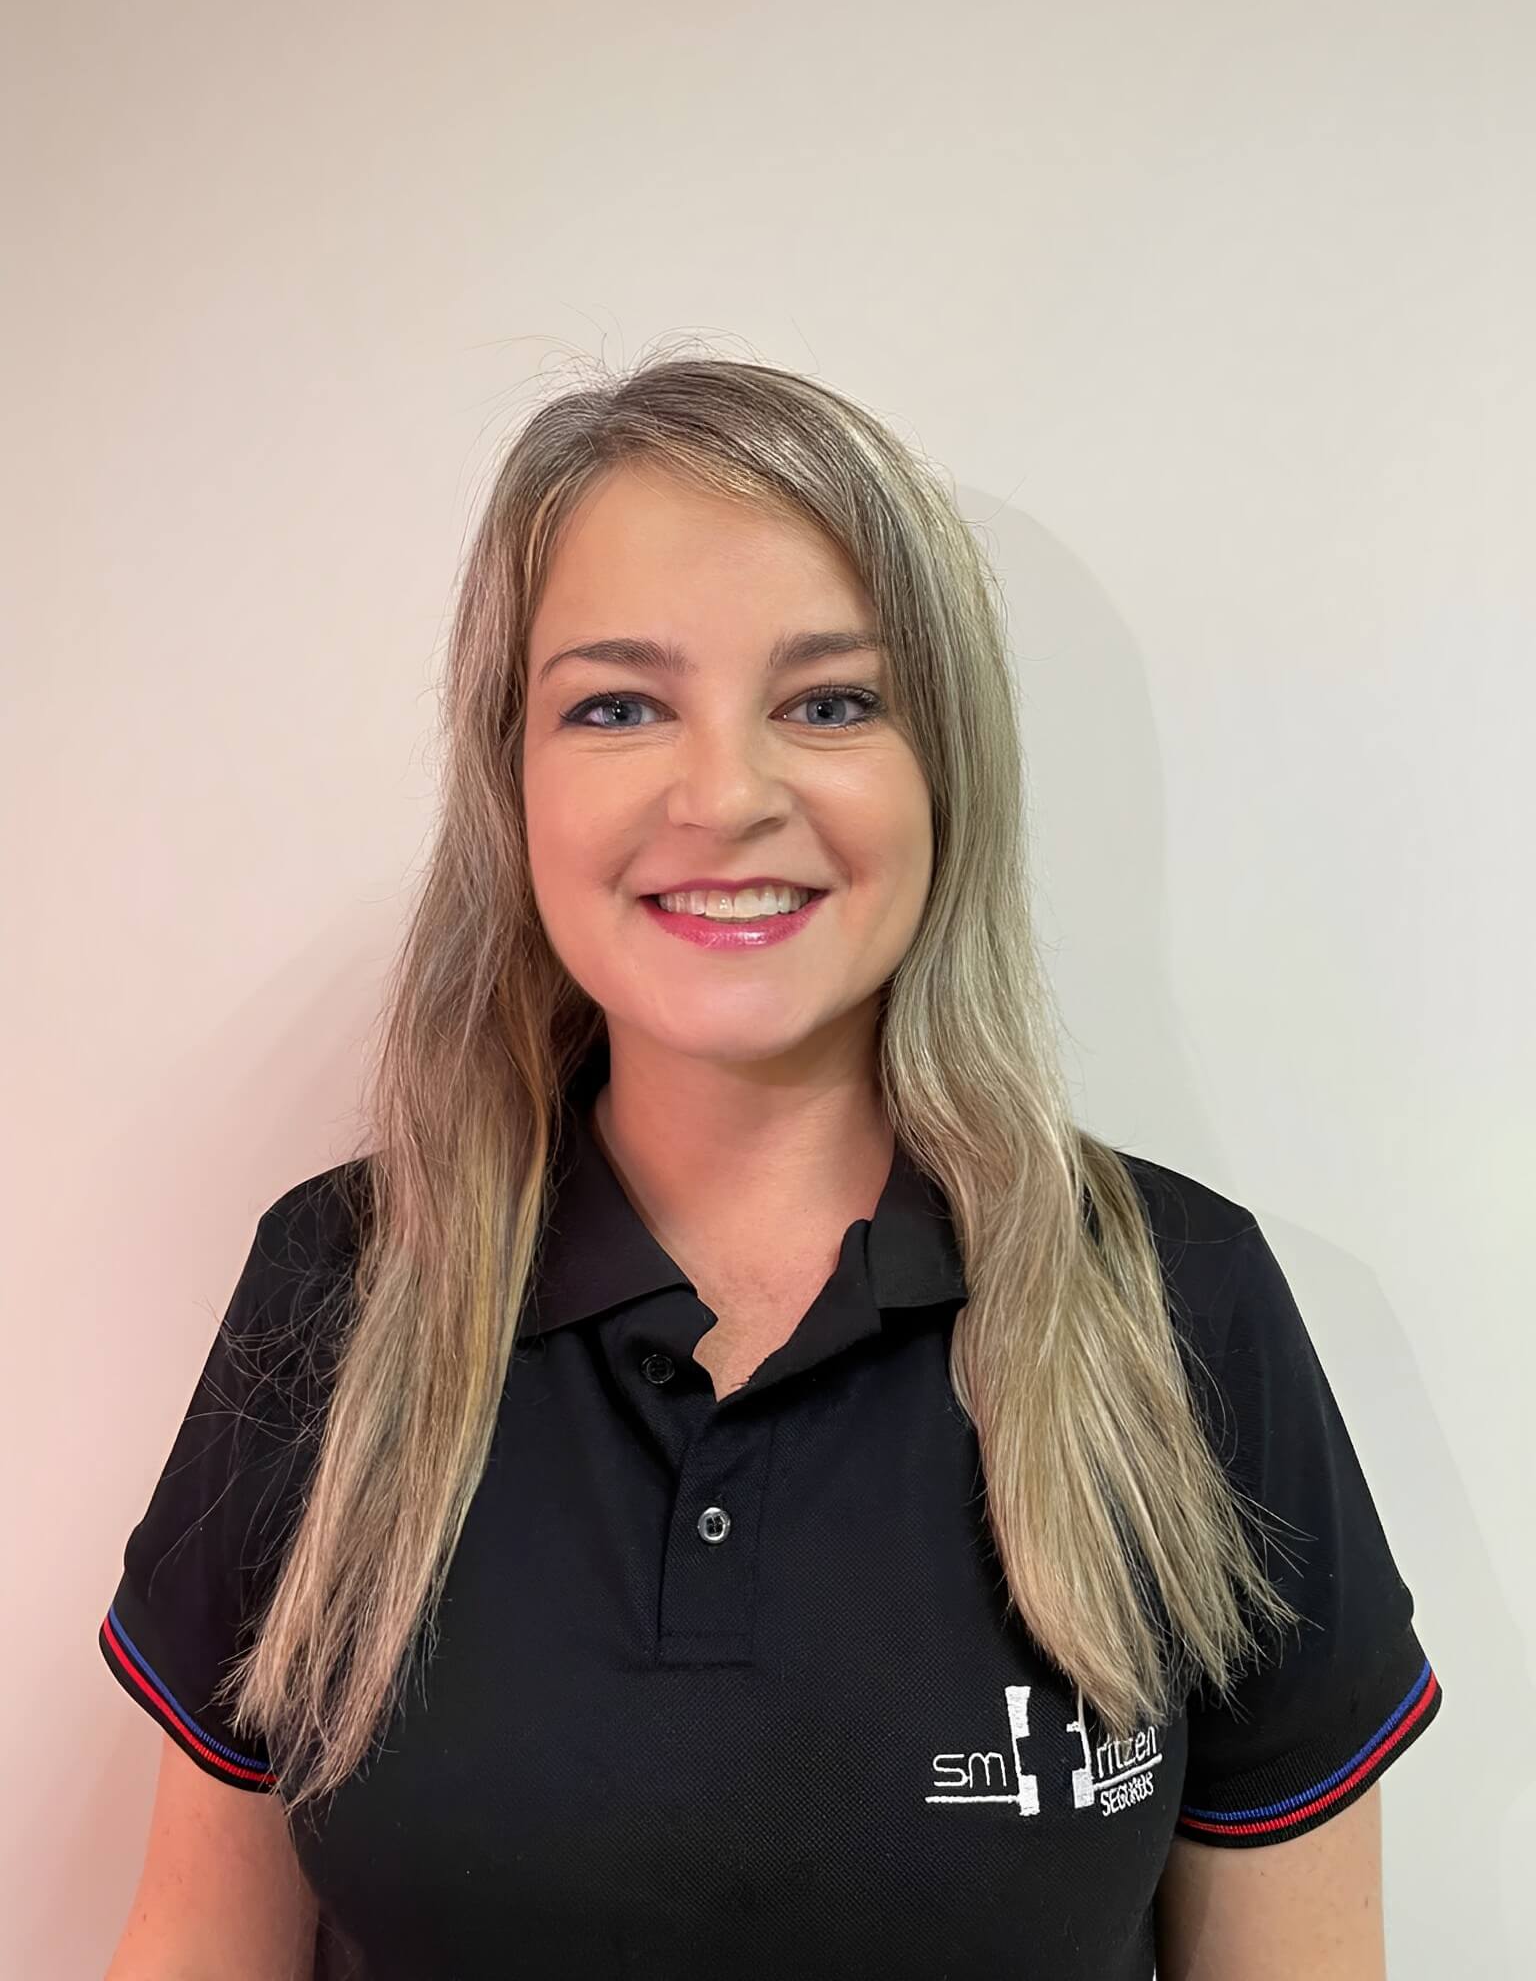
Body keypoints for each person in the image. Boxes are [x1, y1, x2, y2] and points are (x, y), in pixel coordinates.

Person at [97, 354, 1441, 1981]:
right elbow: (196, 1947)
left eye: (831, 701)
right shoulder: (342, 1283)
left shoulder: (1176, 1300)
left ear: (943, 770)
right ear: (511, 777)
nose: (726, 796)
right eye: (616, 705)